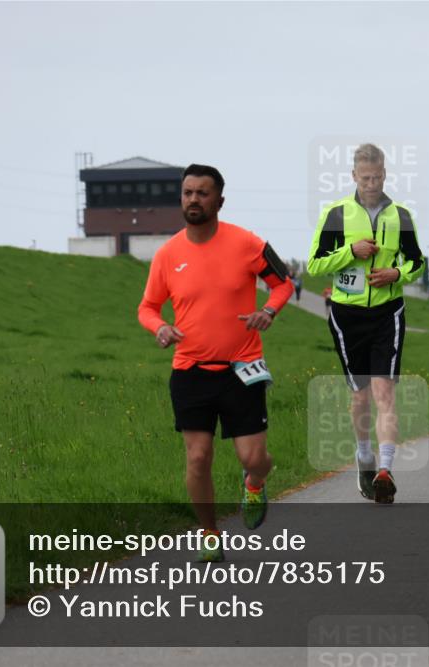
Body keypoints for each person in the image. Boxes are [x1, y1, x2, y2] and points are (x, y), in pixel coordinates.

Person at [138, 164, 293, 562]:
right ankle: (209, 533)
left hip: (243, 368)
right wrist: (159, 328)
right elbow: (148, 307)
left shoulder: (247, 243)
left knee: (253, 458)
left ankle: (255, 482)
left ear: (219, 200)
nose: (194, 199)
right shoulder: (168, 254)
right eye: (188, 192)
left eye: (202, 193)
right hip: (189, 370)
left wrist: (269, 311)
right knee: (198, 456)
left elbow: (283, 282)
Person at [307, 143, 425, 504]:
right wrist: (350, 252)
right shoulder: (336, 214)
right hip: (347, 316)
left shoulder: (401, 216)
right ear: (353, 176)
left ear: (385, 174)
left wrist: (397, 273)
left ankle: (386, 470)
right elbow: (314, 265)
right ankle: (365, 457)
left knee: (384, 392)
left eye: (377, 177)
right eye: (365, 177)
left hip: (387, 313)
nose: (371, 183)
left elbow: (418, 263)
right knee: (359, 397)